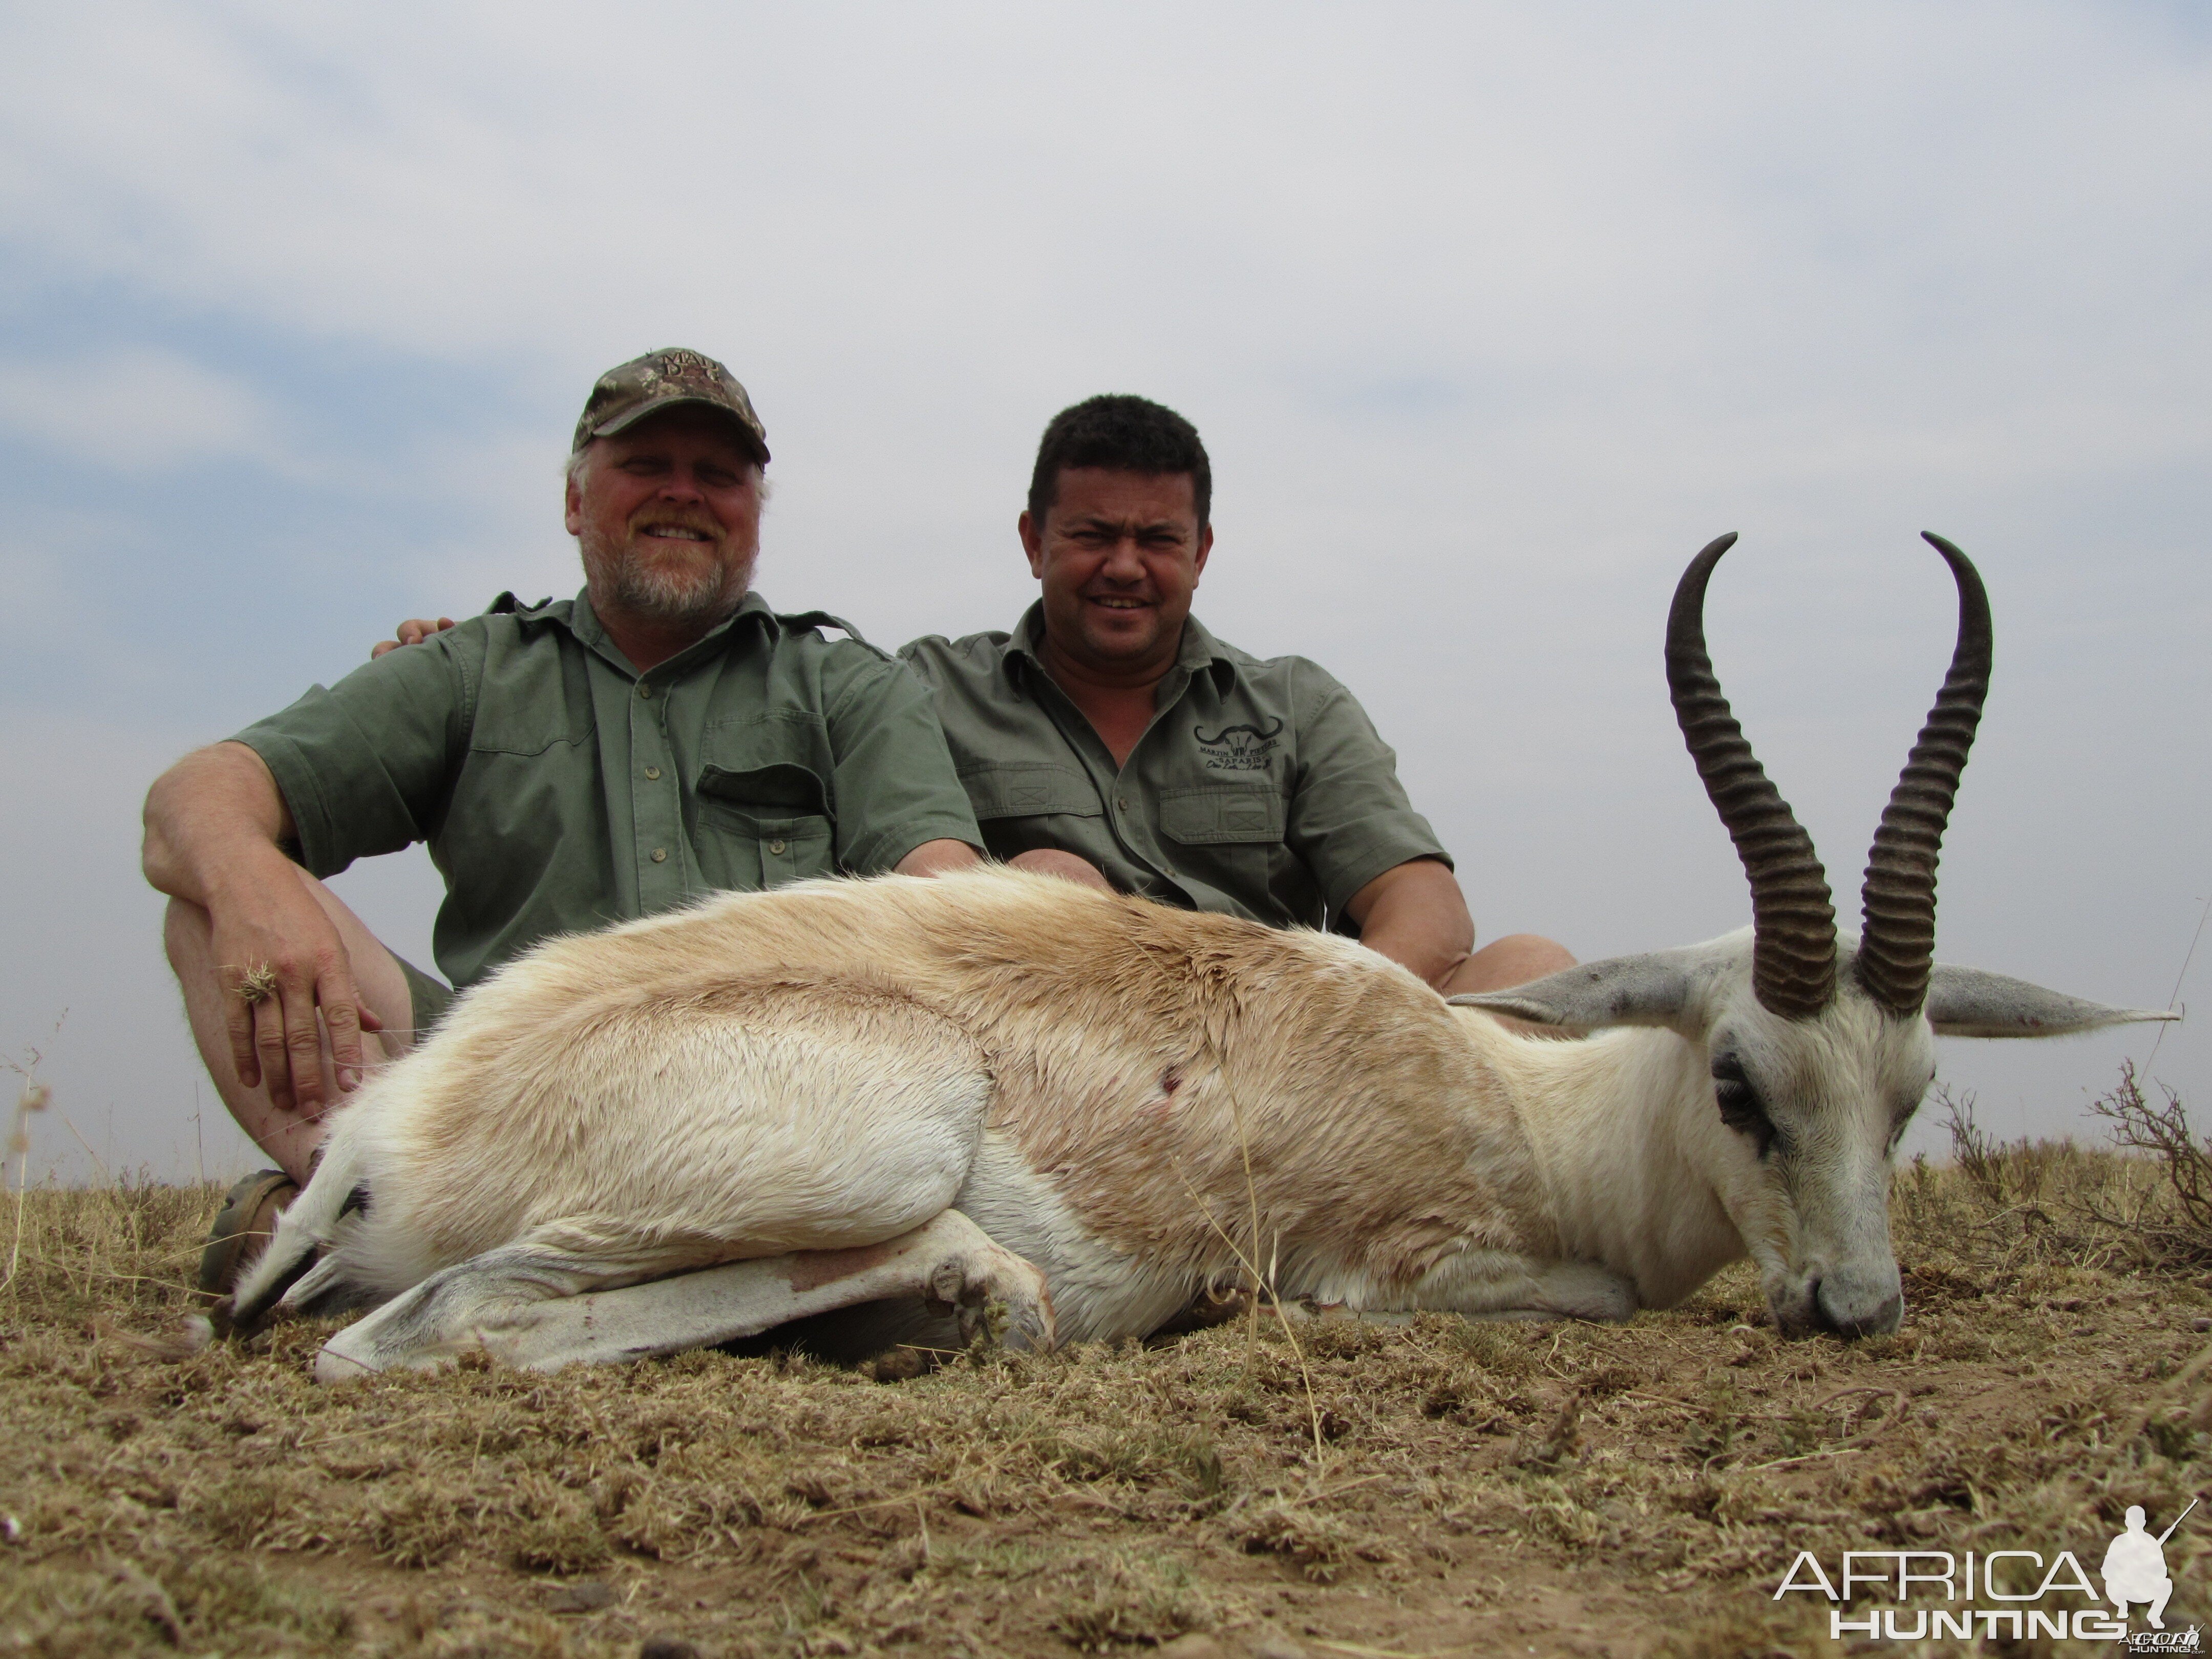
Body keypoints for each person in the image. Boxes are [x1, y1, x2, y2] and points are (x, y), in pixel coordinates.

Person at [145, 349, 985, 1289]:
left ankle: (390, 1258)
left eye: (718, 475)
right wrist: (256, 884)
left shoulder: (849, 686)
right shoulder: (471, 669)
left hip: (774, 1110)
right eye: (646, 466)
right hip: (505, 1105)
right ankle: (387, 1214)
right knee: (210, 904)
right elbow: (195, 796)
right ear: (577, 502)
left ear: (755, 512)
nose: (685, 494)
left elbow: (941, 891)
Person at [897, 394, 1571, 996]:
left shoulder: (1298, 704)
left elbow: (1422, 899)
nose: (1125, 567)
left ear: (1201, 553)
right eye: (1093, 536)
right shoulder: (925, 690)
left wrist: (1322, 1025)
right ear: (1034, 542)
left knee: (1535, 969)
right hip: (1043, 1047)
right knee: (1053, 883)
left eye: (1159, 540)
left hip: (1284, 1048)